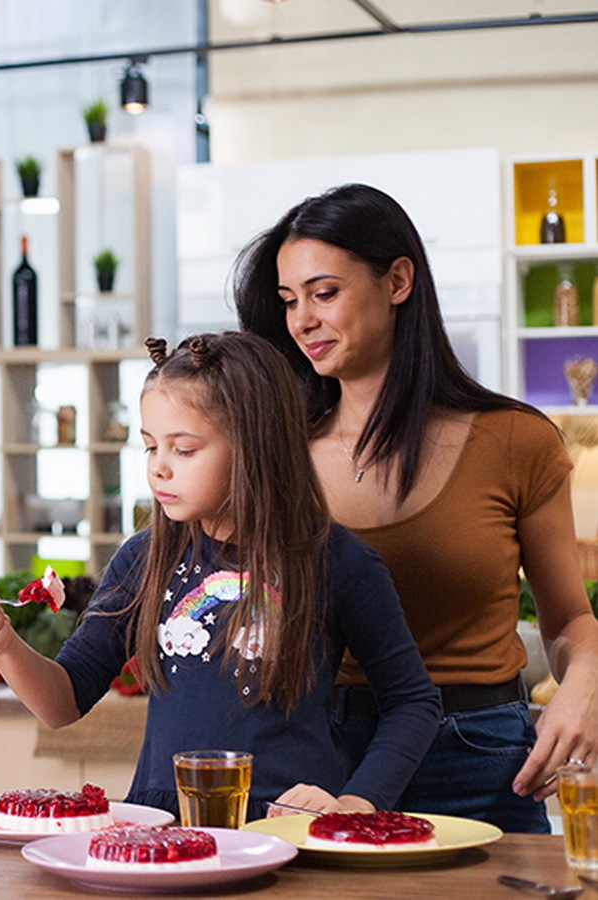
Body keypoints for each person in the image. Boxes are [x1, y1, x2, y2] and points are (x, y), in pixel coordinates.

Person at [0, 331, 440, 821]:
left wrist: (355, 804)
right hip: (163, 826)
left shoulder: (339, 561)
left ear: (256, 447)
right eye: (149, 447)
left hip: (288, 826)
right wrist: (3, 644)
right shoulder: (142, 559)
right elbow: (63, 703)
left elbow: (413, 703)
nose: (159, 469)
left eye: (183, 450)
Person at [235, 182, 598, 832]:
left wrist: (581, 689)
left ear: (397, 280)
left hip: (476, 759)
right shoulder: (272, 451)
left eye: (324, 293)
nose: (301, 321)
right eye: (289, 301)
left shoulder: (514, 439)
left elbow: (568, 617)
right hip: (316, 765)